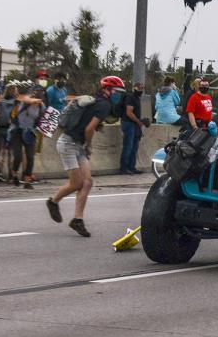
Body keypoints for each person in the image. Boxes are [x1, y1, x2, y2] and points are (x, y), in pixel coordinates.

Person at [45, 75, 125, 237]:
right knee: (77, 183)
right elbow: (89, 129)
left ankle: (77, 220)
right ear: (108, 90)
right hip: (68, 143)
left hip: (77, 144)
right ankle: (53, 202)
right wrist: (89, 146)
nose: (118, 95)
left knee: (87, 182)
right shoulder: (103, 105)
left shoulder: (97, 100)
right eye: (117, 91)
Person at [10, 82, 45, 188]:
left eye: (41, 92)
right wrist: (35, 100)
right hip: (17, 131)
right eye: (37, 92)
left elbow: (43, 120)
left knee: (30, 156)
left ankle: (27, 180)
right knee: (18, 156)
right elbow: (26, 99)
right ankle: (14, 173)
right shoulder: (26, 101)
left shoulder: (41, 106)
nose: (39, 94)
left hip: (30, 132)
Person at [120, 81, 146, 174]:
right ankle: (124, 168)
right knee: (128, 146)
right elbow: (129, 113)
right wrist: (139, 121)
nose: (141, 90)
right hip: (128, 124)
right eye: (139, 88)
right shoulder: (130, 97)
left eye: (142, 88)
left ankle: (132, 167)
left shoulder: (137, 98)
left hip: (134, 125)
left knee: (134, 147)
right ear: (134, 87)